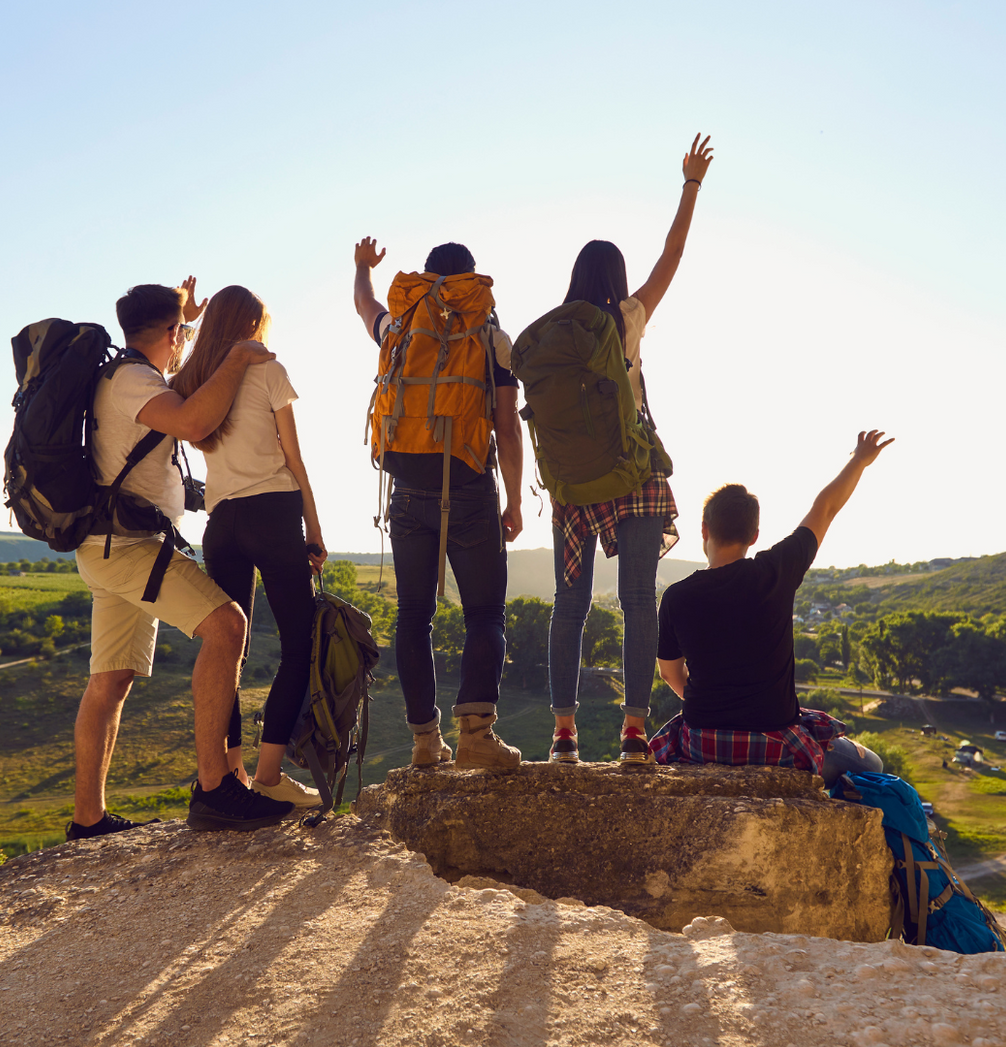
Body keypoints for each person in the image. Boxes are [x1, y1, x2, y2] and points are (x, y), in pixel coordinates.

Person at [68, 279, 295, 837]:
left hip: (105, 546)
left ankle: (87, 820)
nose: (183, 342)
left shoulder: (122, 375)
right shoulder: (133, 381)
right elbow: (195, 421)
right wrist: (240, 354)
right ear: (166, 333)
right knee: (227, 626)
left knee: (109, 680)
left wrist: (188, 319)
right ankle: (216, 789)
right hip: (130, 548)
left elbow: (180, 377)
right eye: (179, 334)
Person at [547, 134, 713, 766]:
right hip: (633, 475)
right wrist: (690, 185)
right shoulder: (629, 318)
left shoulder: (554, 334)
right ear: (615, 280)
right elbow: (673, 254)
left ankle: (564, 735)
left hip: (571, 483)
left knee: (571, 605)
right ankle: (635, 733)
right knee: (639, 600)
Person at [352, 238, 525, 770]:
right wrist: (514, 499)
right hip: (470, 488)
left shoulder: (401, 328)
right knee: (484, 613)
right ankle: (476, 735)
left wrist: (362, 266)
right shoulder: (491, 336)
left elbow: (366, 307)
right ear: (471, 281)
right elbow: (505, 421)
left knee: (413, 615)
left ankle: (426, 742)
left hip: (406, 491)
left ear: (426, 279)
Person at [649, 431, 896, 781]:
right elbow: (824, 508)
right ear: (754, 536)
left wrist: (714, 705)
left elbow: (670, 674)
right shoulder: (775, 571)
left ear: (704, 530)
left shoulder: (676, 596)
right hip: (777, 744)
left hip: (702, 743)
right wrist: (859, 459)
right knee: (872, 765)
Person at [171, 284, 327, 811]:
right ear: (252, 326)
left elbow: (173, 362)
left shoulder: (195, 382)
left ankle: (231, 773)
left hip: (222, 523)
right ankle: (269, 774)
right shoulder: (268, 373)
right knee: (298, 645)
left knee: (226, 651)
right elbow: (295, 459)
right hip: (274, 514)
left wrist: (187, 320)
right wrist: (315, 528)